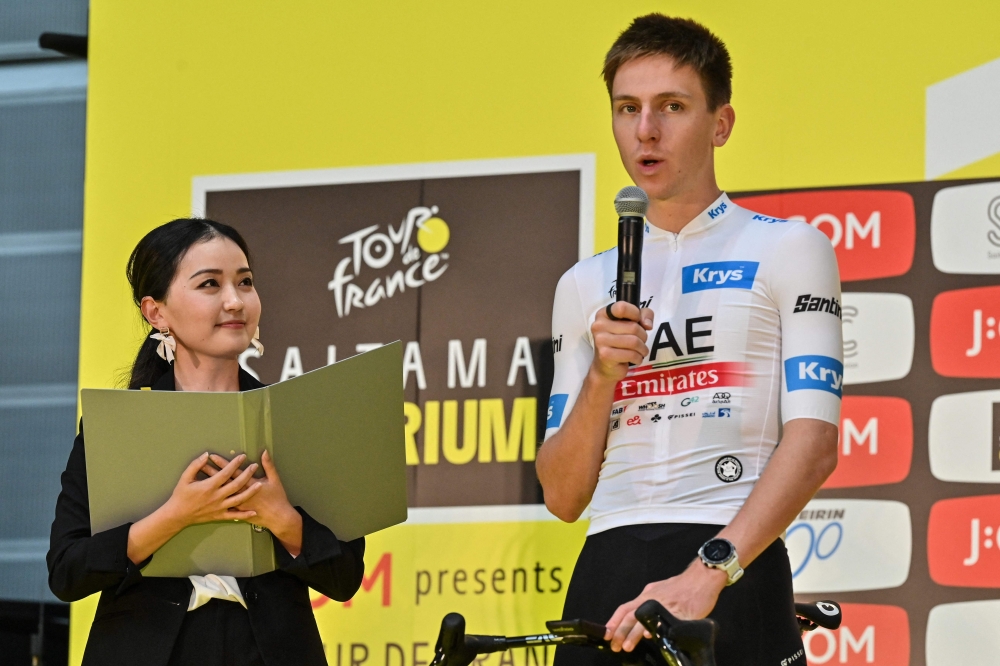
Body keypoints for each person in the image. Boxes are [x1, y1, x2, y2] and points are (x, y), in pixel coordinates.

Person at [536, 14, 842, 666]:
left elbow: (815, 444)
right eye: (627, 108)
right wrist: (599, 377)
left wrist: (709, 572)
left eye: (671, 106)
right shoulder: (583, 284)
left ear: (721, 123)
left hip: (731, 566)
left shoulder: (788, 248)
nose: (645, 129)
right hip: (606, 570)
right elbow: (562, 497)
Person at [47, 219, 365, 666]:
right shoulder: (120, 426)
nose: (235, 301)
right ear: (156, 312)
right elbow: (66, 571)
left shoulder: (295, 420)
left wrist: (282, 519)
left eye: (245, 282)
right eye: (210, 285)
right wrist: (175, 516)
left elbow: (345, 575)